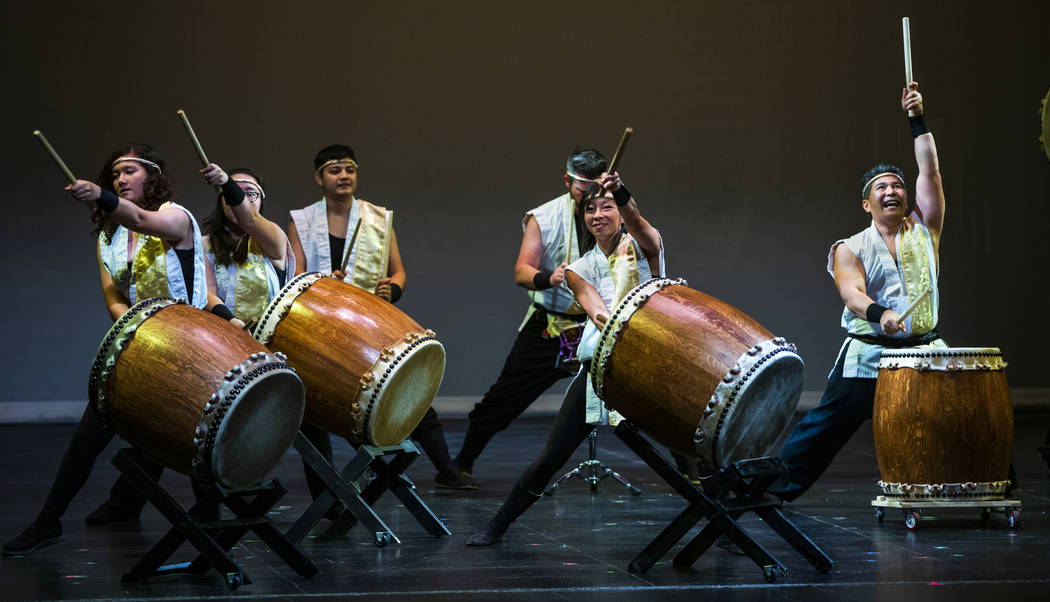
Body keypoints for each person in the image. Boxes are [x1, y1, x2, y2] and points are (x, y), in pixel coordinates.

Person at [3, 144, 211, 555]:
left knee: (191, 443)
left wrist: (100, 196)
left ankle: (211, 529)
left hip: (191, 352)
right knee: (86, 439)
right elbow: (113, 294)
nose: (120, 179)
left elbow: (139, 217)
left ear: (151, 177)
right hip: (141, 347)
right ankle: (48, 522)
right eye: (114, 175)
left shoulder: (176, 216)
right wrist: (134, 330)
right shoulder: (110, 236)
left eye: (130, 171)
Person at [771, 83, 949, 501]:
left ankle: (989, 482)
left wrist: (916, 118)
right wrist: (880, 314)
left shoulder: (926, 230)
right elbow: (852, 293)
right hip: (870, 352)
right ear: (866, 204)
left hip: (925, 349)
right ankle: (772, 492)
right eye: (881, 188)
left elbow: (930, 171)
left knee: (961, 415)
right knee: (825, 428)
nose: (892, 191)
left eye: (897, 186)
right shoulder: (850, 247)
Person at [467, 170, 663, 545]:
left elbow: (639, 223)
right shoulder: (578, 269)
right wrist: (612, 328)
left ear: (620, 213)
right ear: (583, 218)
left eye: (607, 207)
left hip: (649, 364)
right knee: (552, 455)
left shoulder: (642, 245)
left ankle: (719, 517)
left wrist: (621, 192)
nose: (598, 215)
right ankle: (499, 524)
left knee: (686, 447)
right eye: (591, 209)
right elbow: (597, 310)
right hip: (603, 369)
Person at [287, 144, 474, 493]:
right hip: (323, 327)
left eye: (350, 169)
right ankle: (334, 492)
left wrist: (394, 290)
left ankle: (445, 468)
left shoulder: (377, 218)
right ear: (318, 178)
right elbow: (295, 275)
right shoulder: (302, 220)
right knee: (323, 409)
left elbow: (398, 272)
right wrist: (324, 286)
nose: (344, 176)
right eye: (334, 170)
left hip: (370, 323)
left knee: (406, 391)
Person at [199, 164, 293, 326]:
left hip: (270, 338)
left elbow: (250, 219)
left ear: (261, 200)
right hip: (225, 332)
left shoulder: (274, 236)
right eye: (232, 193)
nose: (241, 201)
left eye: (250, 193)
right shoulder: (205, 244)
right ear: (221, 201)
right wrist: (232, 321)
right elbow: (208, 292)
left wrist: (228, 183)